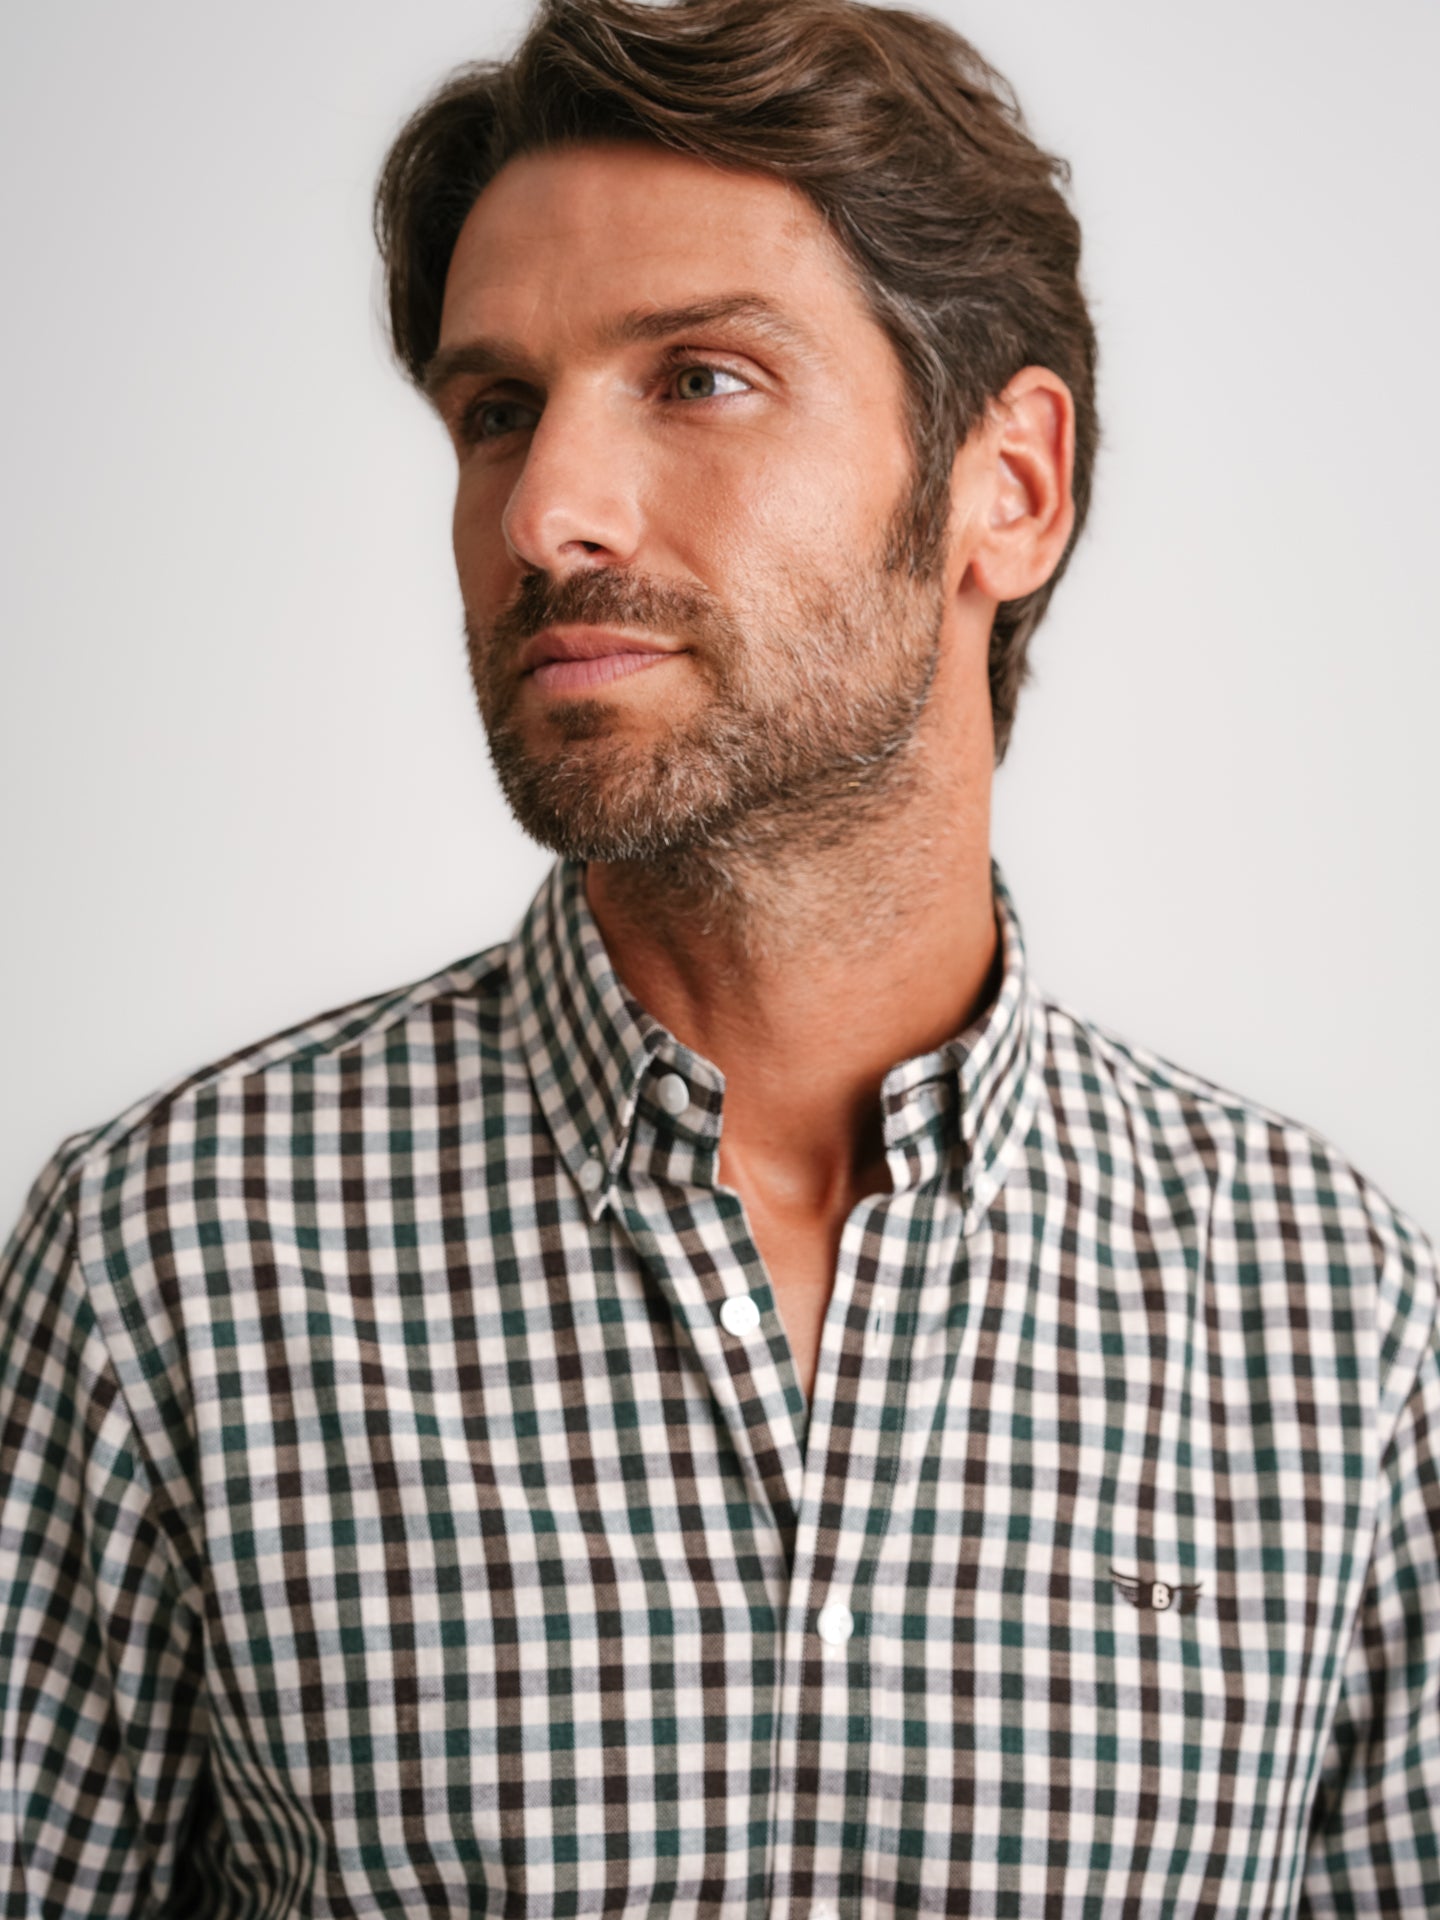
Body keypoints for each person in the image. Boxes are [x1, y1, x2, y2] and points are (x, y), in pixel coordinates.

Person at [1, 0, 1434, 1911]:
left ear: (1009, 486)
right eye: (496, 411)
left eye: (699, 378)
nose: (546, 512)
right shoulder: (169, 1265)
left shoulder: (1333, 1324)